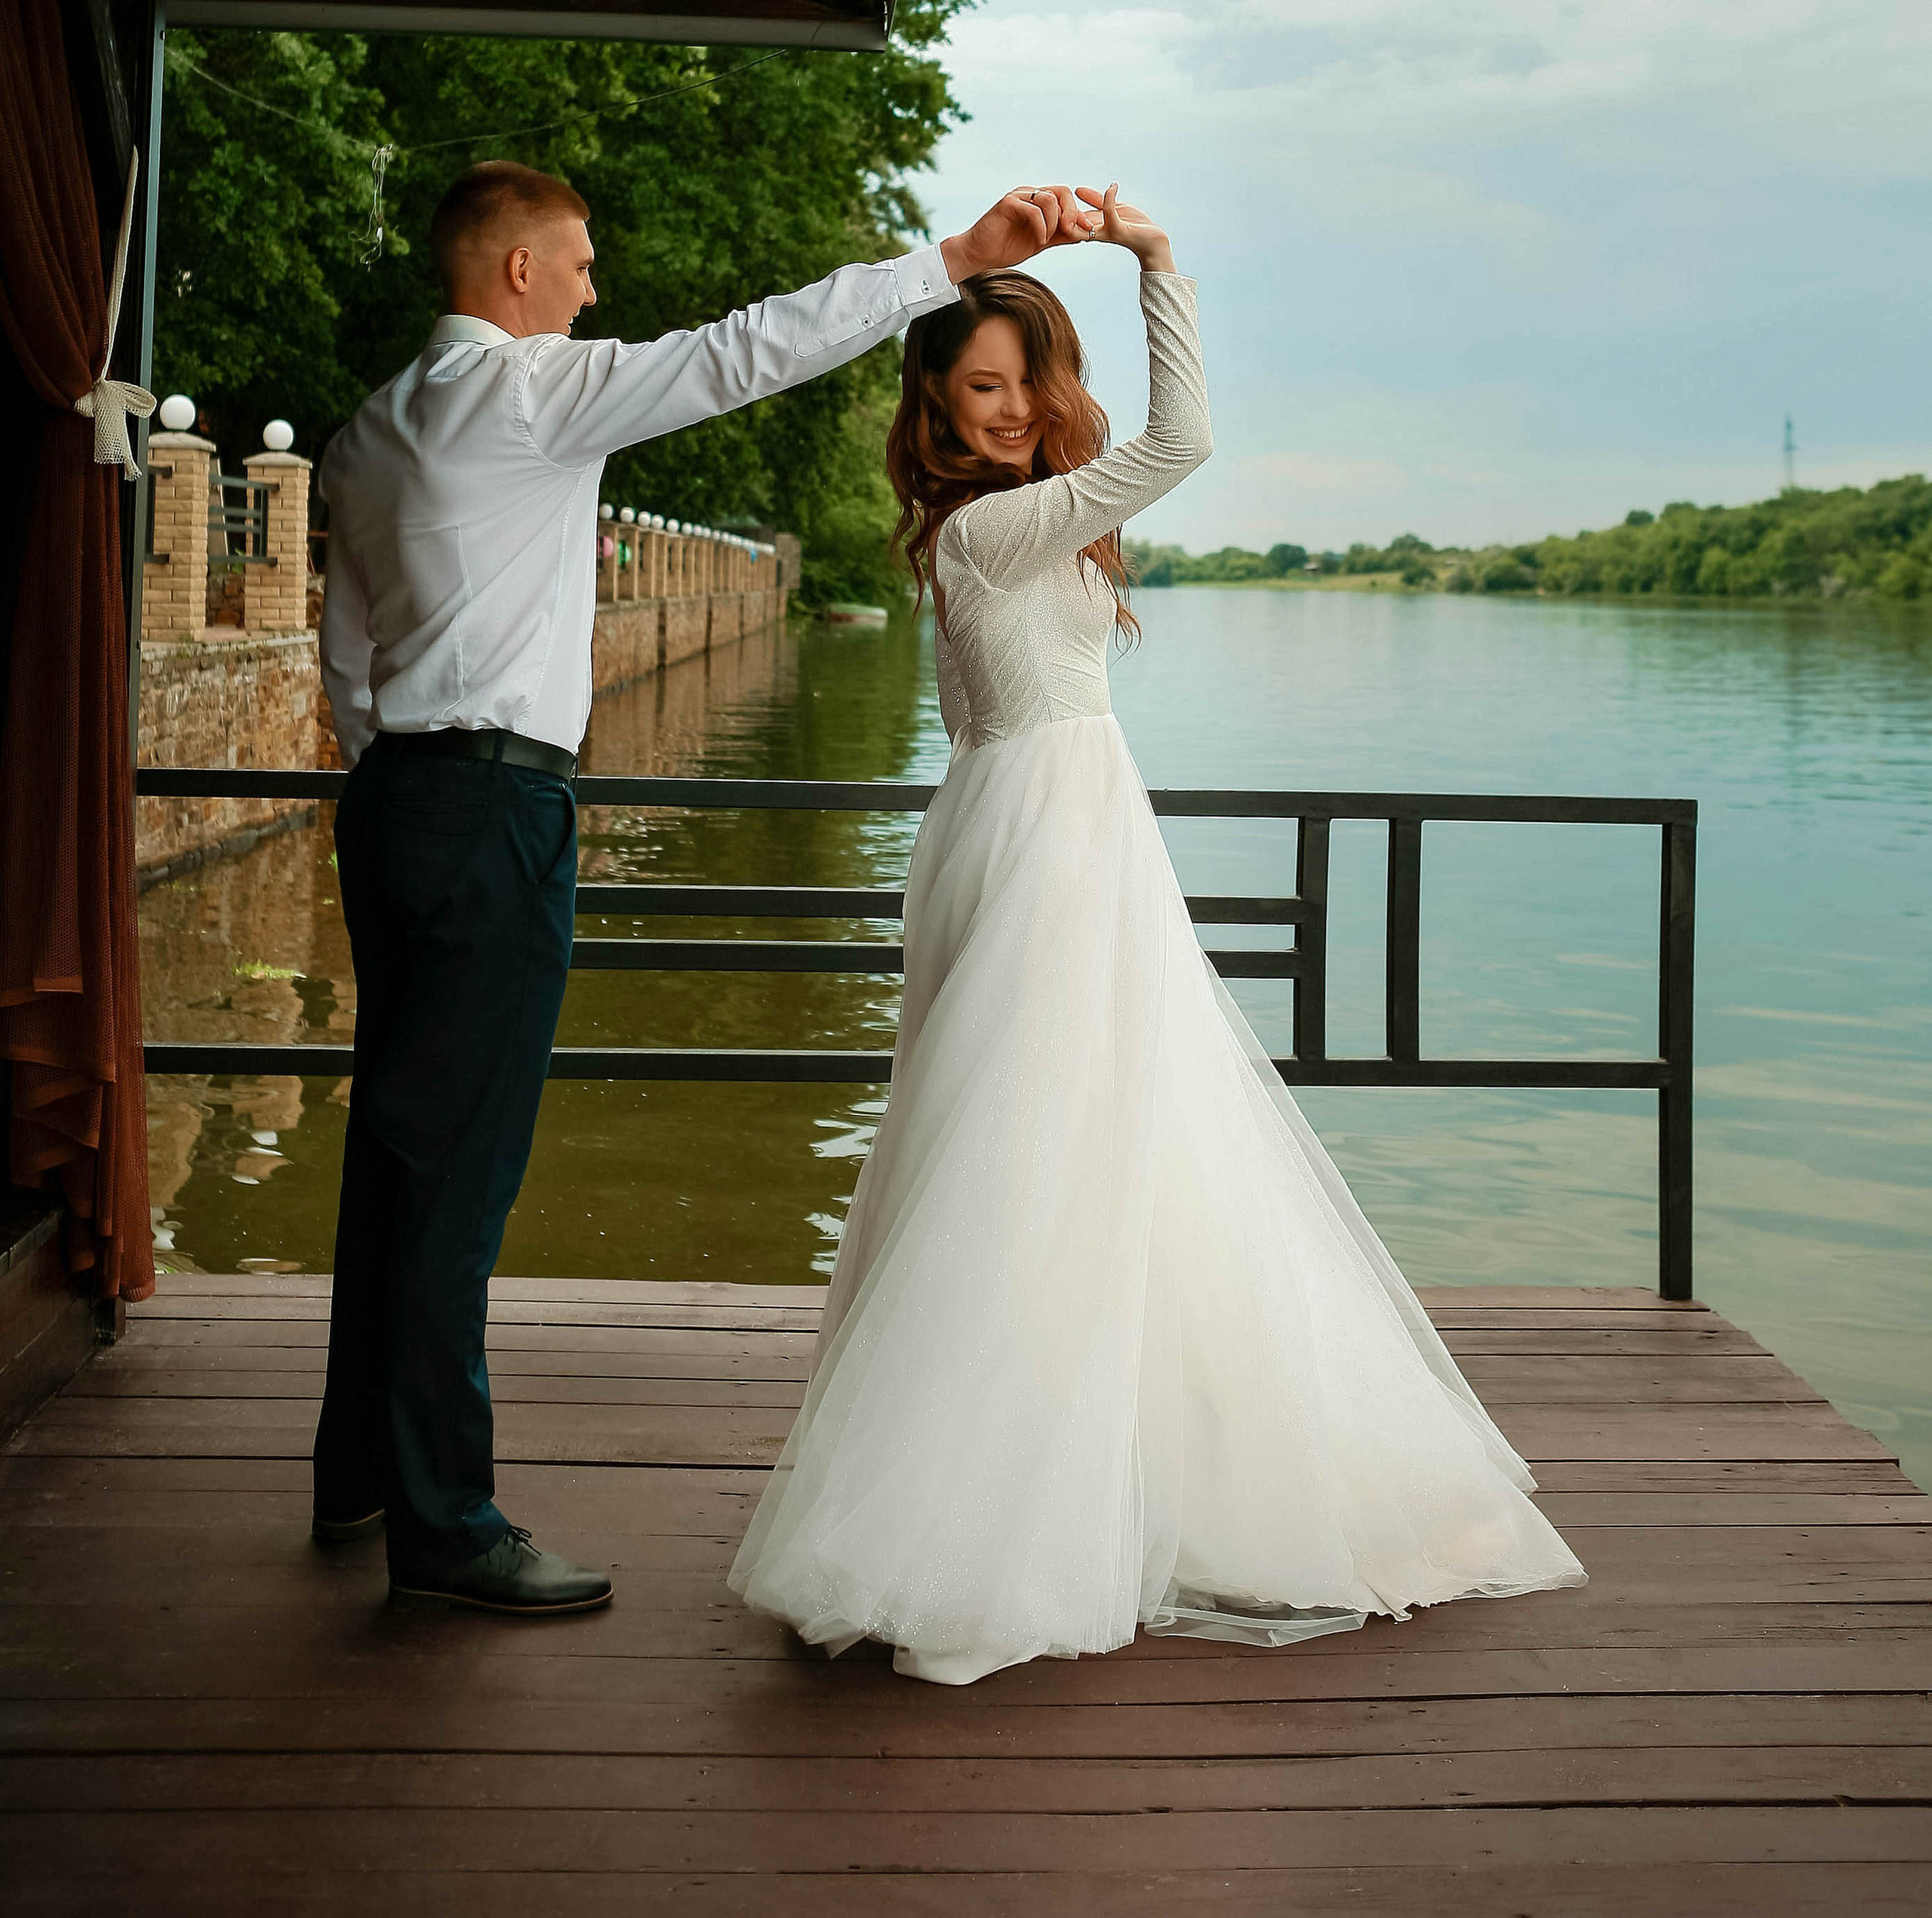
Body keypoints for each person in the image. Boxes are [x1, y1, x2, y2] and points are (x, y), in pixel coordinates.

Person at [730, 186, 1586, 1682]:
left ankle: (1041, 1481)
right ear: (935, 399)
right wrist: (1155, 263)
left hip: (1045, 829)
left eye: (1024, 384)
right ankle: (982, 1519)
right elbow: (1184, 443)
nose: (1006, 410)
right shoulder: (996, 531)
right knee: (1029, 1146)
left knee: (1070, 1148)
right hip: (1048, 844)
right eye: (978, 386)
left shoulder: (977, 532)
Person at [312, 161, 1099, 1614]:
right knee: (462, 1176)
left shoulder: (366, 434)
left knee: (393, 1144)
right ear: (522, 278)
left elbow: (347, 662)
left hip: (397, 803)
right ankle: (443, 1520)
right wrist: (951, 259)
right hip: (496, 805)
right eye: (587, 266)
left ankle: (357, 1463)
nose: (600, 291)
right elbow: (752, 349)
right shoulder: (536, 397)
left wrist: (406, 771)